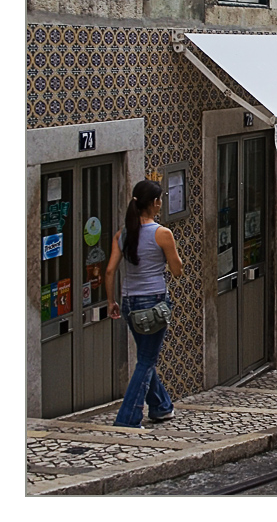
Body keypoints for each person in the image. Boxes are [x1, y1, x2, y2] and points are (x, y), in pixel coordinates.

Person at [106, 180, 183, 428]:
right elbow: (177, 270)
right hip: (154, 303)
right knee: (146, 361)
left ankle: (161, 407)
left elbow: (109, 271)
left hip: (129, 303)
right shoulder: (163, 234)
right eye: (160, 200)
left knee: (145, 357)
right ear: (155, 203)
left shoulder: (123, 234)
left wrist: (111, 302)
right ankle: (128, 417)